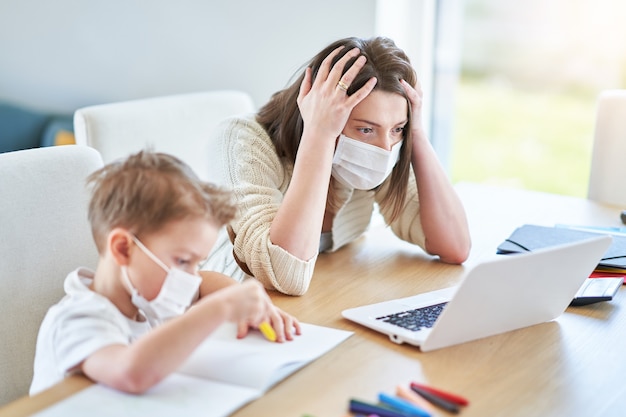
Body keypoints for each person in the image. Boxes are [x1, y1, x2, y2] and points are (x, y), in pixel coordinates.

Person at [206, 36, 471, 296]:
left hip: (319, 298)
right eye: (366, 129)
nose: (384, 148)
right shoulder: (241, 138)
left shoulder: (387, 147)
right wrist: (319, 133)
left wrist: (417, 133)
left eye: (397, 128)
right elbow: (286, 274)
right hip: (232, 304)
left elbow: (455, 246)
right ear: (320, 109)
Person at [30, 150, 300, 396]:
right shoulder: (77, 319)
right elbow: (130, 373)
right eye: (183, 261)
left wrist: (244, 299)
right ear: (123, 249)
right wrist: (221, 308)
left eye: (196, 262)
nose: (191, 276)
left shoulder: (145, 297)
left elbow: (204, 283)